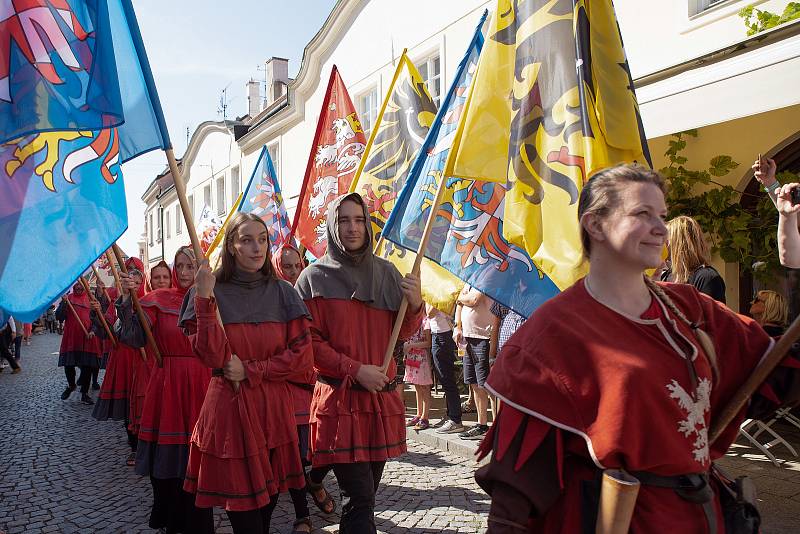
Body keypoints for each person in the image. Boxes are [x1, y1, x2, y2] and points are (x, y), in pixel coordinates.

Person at [475, 163, 800, 533]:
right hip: (615, 518)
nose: (661, 227)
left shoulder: (691, 308)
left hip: (700, 514)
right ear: (595, 224)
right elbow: (516, 493)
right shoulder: (550, 334)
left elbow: (779, 371)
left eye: (661, 214)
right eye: (642, 214)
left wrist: (793, 257)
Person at [296, 192, 424, 534]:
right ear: (332, 227)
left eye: (358, 220)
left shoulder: (387, 272)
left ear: (368, 225)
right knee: (361, 497)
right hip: (340, 400)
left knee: (366, 495)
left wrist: (414, 305)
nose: (352, 228)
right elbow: (309, 344)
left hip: (378, 401)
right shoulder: (311, 278)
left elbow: (401, 333)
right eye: (344, 220)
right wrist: (356, 370)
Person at [178, 214, 314, 534]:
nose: (257, 248)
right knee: (244, 510)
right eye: (247, 240)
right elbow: (211, 355)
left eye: (263, 239)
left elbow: (302, 356)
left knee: (266, 503)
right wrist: (204, 299)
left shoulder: (283, 292)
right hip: (229, 409)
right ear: (231, 246)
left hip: (273, 408)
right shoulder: (209, 290)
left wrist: (252, 370)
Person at [115, 246, 213, 534]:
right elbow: (132, 338)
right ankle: (169, 517)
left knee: (200, 463)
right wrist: (125, 299)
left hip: (203, 385)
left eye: (190, 266)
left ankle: (198, 521)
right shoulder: (156, 300)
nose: (183, 272)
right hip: (168, 384)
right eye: (179, 266)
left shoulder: (211, 299)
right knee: (168, 465)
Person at [272, 241, 330, 532]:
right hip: (287, 387)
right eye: (287, 267)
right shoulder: (272, 300)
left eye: (297, 265)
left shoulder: (310, 294)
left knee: (322, 448)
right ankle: (302, 513)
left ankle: (314, 481)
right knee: (293, 454)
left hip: (316, 384)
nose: (294, 271)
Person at [92, 258, 147, 466]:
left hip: (144, 360)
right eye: (129, 275)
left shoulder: (151, 299)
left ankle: (146, 443)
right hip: (123, 359)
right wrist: (97, 311)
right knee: (128, 405)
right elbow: (105, 330)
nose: (132, 279)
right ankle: (134, 446)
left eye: (136, 275)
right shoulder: (116, 300)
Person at [453, 284, 494, 440]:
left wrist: (460, 298)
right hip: (468, 337)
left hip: (483, 337)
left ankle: (495, 427)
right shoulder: (468, 281)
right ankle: (481, 424)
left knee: (486, 385)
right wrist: (458, 327)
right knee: (474, 383)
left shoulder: (486, 277)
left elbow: (474, 299)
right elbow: (459, 305)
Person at [56, 283, 101, 404]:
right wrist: (64, 303)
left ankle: (84, 393)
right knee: (68, 365)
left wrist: (93, 330)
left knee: (87, 367)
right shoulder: (68, 298)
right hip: (71, 338)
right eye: (77, 286)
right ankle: (71, 386)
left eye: (82, 286)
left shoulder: (92, 299)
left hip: (87, 338)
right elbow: (59, 317)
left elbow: (98, 320)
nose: (79, 288)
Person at [664, 215, 726, 303]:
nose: (660, 243)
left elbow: (712, 315)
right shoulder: (666, 275)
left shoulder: (706, 278)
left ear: (678, 243)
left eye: (665, 238)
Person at [427, 303, 464, 434]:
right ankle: (451, 415)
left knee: (447, 378)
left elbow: (429, 312)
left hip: (443, 335)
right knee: (444, 378)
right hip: (438, 334)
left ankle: (455, 419)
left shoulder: (439, 290)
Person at [404, 315, 433, 430]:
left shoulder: (425, 321)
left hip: (422, 359)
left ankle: (425, 416)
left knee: (424, 387)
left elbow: (428, 343)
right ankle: (418, 413)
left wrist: (411, 345)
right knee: (417, 386)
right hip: (412, 357)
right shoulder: (412, 321)